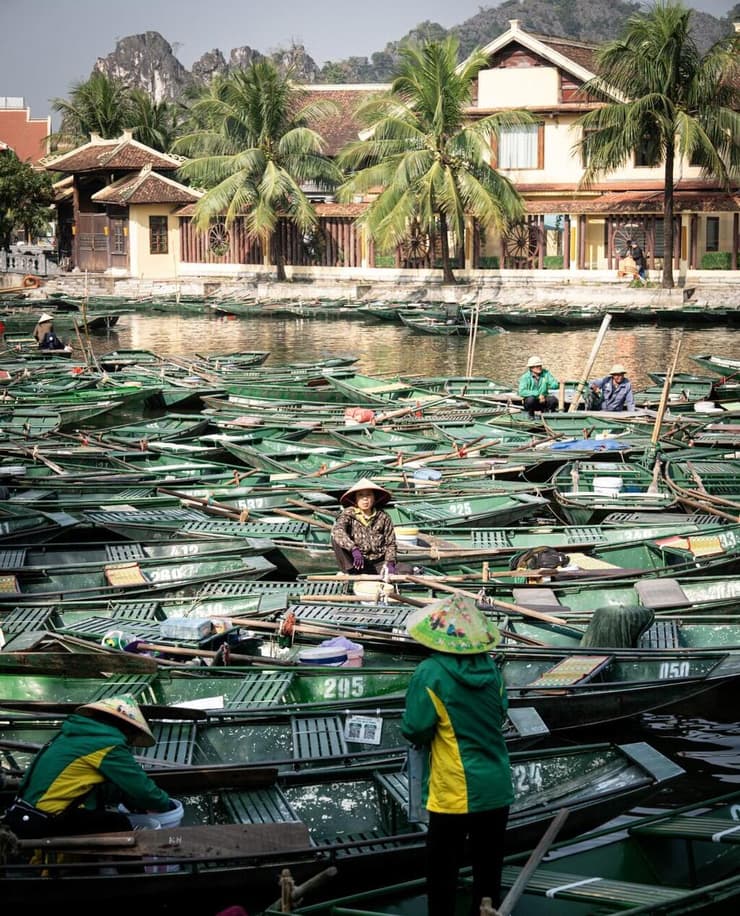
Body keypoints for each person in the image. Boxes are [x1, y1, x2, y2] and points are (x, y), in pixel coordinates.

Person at [400, 593, 512, 916]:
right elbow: (500, 713)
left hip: (455, 792)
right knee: (488, 879)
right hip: (496, 786)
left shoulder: (430, 672)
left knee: (442, 877)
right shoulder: (492, 670)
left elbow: (414, 728)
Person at [1, 693, 172, 839]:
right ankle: (132, 869)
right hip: (44, 820)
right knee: (119, 824)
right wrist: (166, 805)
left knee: (103, 811)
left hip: (22, 812)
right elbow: (142, 789)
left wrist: (134, 803)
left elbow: (113, 787)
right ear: (126, 728)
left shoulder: (71, 735)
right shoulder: (107, 744)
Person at [330, 477, 397, 576]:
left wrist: (390, 563)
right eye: (361, 495)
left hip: (378, 562)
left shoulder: (383, 516)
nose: (365, 499)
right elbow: (338, 531)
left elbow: (391, 543)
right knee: (335, 538)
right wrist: (354, 549)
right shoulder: (348, 514)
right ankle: (351, 572)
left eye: (368, 495)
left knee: (406, 569)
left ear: (374, 498)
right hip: (356, 562)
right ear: (356, 499)